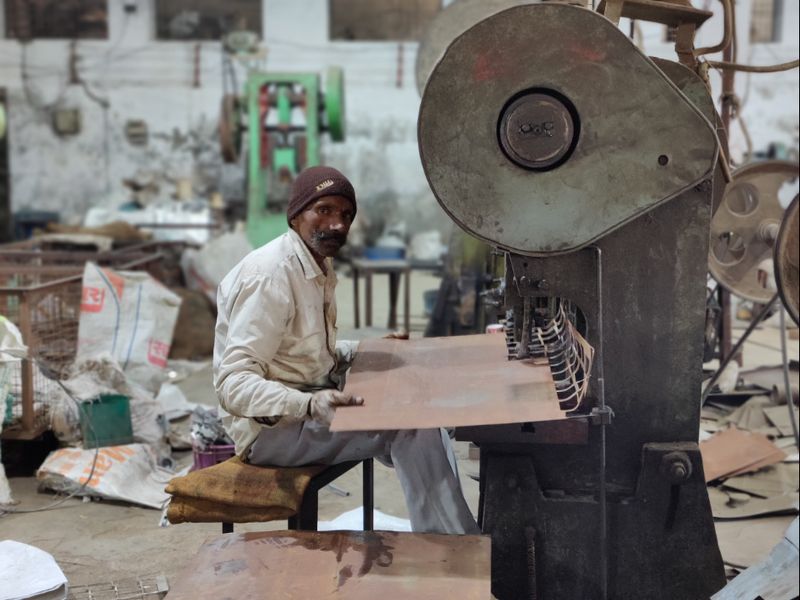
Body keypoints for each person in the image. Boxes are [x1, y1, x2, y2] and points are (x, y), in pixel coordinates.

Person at [213, 166, 479, 535]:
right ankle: (454, 549)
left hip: (303, 410)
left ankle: (453, 536)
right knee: (411, 425)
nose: (338, 224)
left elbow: (302, 352)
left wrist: (366, 349)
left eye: (346, 214)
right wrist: (309, 404)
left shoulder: (314, 265)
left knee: (421, 411)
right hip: (271, 433)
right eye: (323, 210)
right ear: (295, 215)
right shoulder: (270, 277)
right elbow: (232, 384)